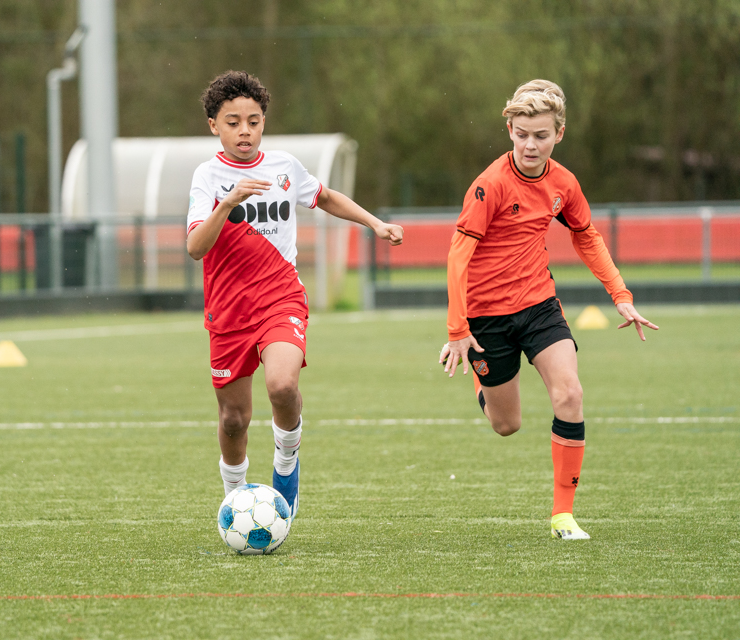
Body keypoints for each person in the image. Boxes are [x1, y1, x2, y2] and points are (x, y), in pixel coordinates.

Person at [438, 79, 658, 540]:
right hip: (486, 319)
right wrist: (458, 329)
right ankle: (484, 381)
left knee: (570, 395)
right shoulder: (490, 185)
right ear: (509, 130)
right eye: (521, 134)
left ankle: (563, 515)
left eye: (541, 134)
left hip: (540, 307)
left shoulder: (564, 183)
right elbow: (458, 255)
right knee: (506, 425)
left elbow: (586, 235)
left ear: (560, 133)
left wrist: (621, 296)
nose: (530, 144)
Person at [187, 70, 403, 518]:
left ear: (263, 121)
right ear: (214, 125)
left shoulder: (284, 166)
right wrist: (227, 204)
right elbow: (194, 247)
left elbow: (324, 197)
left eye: (253, 120)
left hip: (280, 298)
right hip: (228, 311)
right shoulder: (207, 177)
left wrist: (375, 224)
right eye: (232, 122)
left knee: (282, 385)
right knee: (234, 419)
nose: (244, 130)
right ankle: (236, 498)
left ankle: (287, 461)